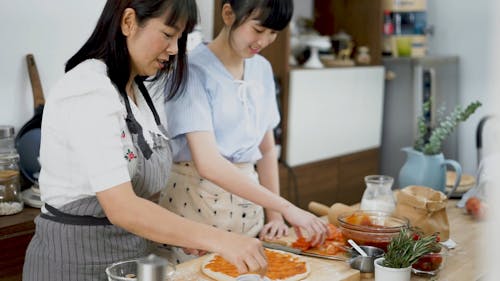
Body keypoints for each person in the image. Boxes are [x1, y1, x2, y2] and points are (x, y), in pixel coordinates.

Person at [22, 1, 268, 280]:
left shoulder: (137, 92)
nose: (175, 49)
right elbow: (122, 207)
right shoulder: (88, 88)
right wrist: (219, 239)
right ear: (128, 22)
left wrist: (184, 234)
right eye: (167, 34)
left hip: (128, 261)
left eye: (179, 38)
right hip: (74, 265)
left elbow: (145, 199)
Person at [159, 0, 329, 263]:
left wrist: (275, 216)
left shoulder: (262, 69)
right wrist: (286, 207)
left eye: (273, 33)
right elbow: (209, 164)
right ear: (228, 14)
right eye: (259, 29)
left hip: (248, 208)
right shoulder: (191, 69)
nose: (265, 40)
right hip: (195, 204)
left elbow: (267, 149)